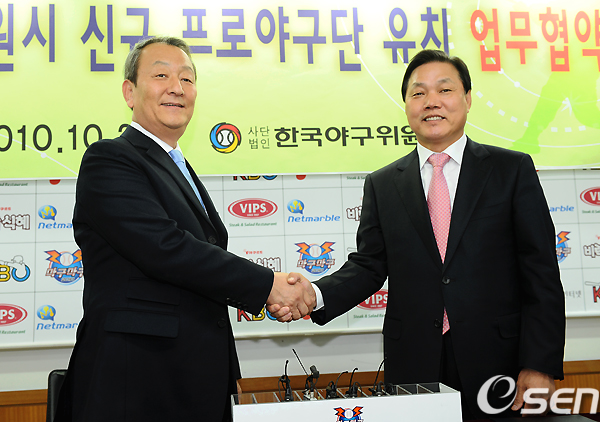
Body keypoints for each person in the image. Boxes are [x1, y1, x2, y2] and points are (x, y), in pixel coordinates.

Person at [269, 49, 565, 420]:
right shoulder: (382, 184)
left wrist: (540, 364)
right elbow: (369, 266)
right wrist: (314, 295)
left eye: (444, 90)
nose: (431, 102)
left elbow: (541, 273)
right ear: (407, 105)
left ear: (467, 99)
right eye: (418, 93)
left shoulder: (511, 170)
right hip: (413, 362)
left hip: (499, 360)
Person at [54, 36, 314, 422]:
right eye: (161, 75)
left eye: (187, 79)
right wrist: (267, 285)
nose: (177, 87)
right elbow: (165, 248)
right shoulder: (109, 158)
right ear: (129, 92)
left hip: (197, 376)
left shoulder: (176, 165)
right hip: (137, 378)